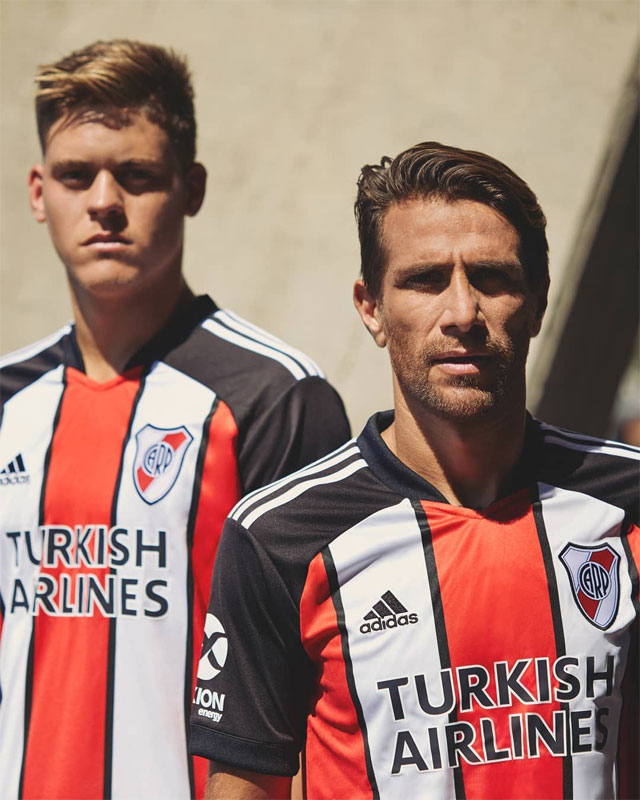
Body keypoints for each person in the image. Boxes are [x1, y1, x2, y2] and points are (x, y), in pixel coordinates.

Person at [189, 142, 639, 799]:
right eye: (425, 280)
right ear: (371, 307)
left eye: (492, 278)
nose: (462, 313)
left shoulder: (628, 500)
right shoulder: (280, 538)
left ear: (538, 302)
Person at [0, 39, 350, 800]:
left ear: (191, 188)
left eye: (136, 175)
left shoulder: (277, 398)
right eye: (75, 176)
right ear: (37, 192)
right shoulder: (7, 402)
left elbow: (328, 686)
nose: (103, 201)